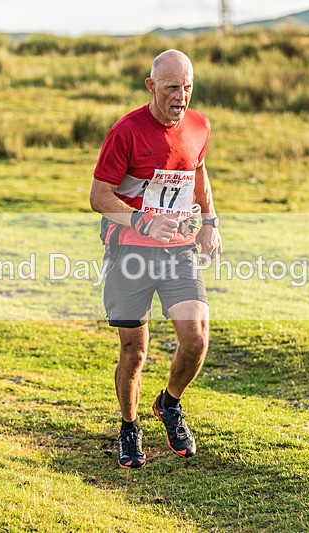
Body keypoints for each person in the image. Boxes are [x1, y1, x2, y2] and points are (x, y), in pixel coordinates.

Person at [89, 49, 223, 468]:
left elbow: (198, 170)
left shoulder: (199, 125)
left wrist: (211, 221)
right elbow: (98, 197)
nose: (181, 96)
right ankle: (129, 428)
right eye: (171, 87)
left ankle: (169, 403)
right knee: (135, 350)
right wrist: (142, 222)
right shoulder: (126, 131)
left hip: (178, 251)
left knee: (197, 337)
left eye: (187, 87)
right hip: (130, 251)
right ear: (151, 87)